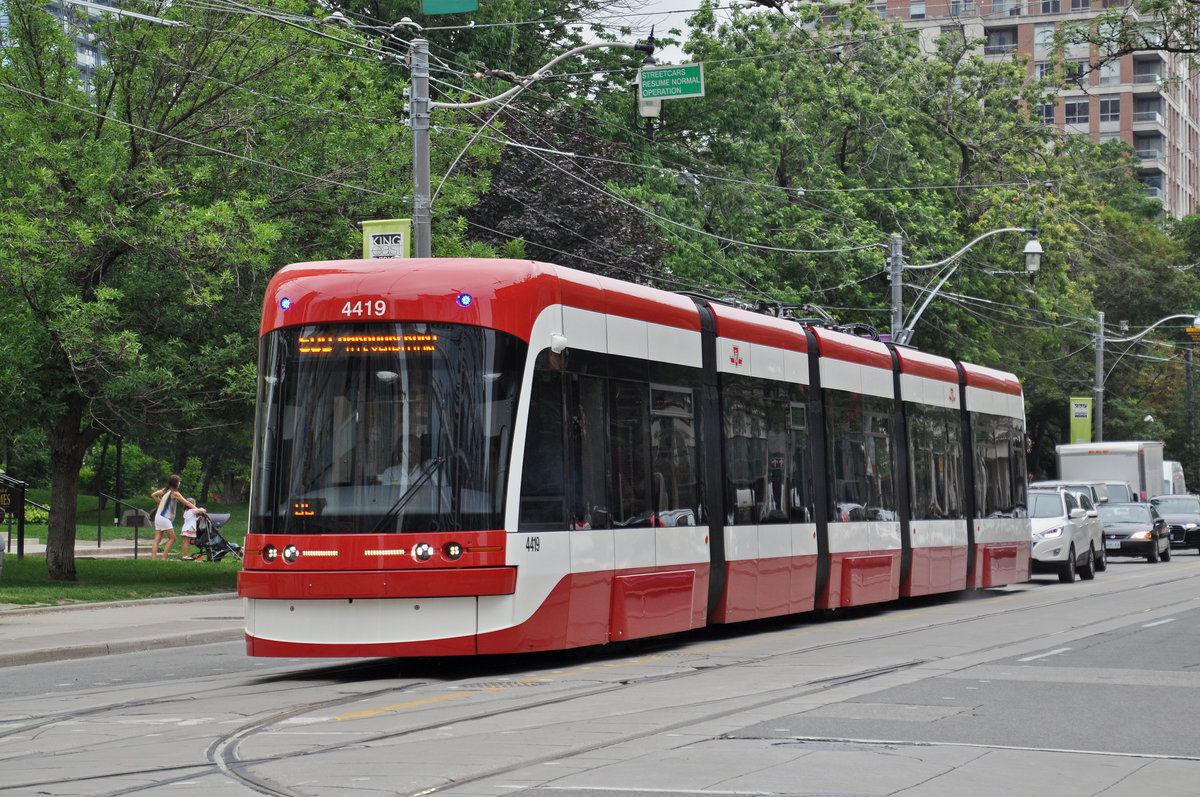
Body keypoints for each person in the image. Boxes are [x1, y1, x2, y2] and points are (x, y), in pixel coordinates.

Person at [150, 475, 202, 560]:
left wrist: (160, 503)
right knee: (172, 538)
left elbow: (154, 495)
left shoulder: (165, 490)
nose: (179, 483)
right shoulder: (174, 493)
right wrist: (199, 510)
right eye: (179, 481)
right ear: (176, 483)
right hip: (164, 518)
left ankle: (153, 559)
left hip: (158, 517)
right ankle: (163, 559)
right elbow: (187, 503)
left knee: (157, 539)